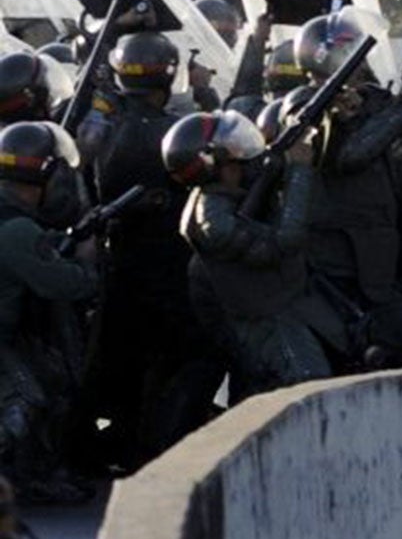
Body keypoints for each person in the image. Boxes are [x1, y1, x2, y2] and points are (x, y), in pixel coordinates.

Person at [79, 31, 222, 470]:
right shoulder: (174, 134)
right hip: (171, 265)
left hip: (118, 261)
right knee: (189, 354)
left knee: (125, 355)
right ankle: (158, 445)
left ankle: (124, 440)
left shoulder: (95, 130)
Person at [296, 8, 402, 368]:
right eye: (349, 52)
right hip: (340, 265)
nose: (359, 62)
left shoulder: (368, 97)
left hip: (382, 257)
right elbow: (351, 156)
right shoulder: (302, 105)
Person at [165, 110, 339, 396]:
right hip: (266, 325)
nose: (243, 153)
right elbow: (285, 242)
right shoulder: (215, 223)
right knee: (311, 392)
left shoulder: (224, 197)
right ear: (215, 163)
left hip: (282, 310)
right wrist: (300, 171)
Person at [0, 123, 100, 502]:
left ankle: (31, 476)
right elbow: (67, 284)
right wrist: (88, 258)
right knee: (27, 400)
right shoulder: (17, 230)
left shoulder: (15, 222)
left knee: (53, 380)